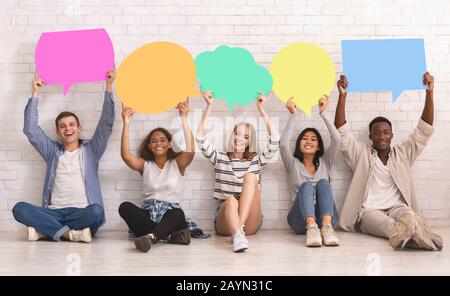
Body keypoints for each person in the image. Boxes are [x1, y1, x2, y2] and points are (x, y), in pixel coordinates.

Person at [334, 72, 443, 251]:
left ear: (392, 135)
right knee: (387, 225)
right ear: (370, 136)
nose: (381, 136)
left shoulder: (403, 154)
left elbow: (424, 129)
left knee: (408, 214)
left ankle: (412, 232)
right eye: (376, 132)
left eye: (385, 132)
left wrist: (429, 93)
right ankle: (419, 236)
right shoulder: (361, 154)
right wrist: (342, 95)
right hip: (369, 211)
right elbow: (341, 131)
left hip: (397, 207)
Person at [12, 69, 116, 242]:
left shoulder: (91, 150)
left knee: (97, 212)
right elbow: (30, 130)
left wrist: (109, 85)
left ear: (79, 127)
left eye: (72, 124)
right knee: (19, 209)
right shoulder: (52, 151)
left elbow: (106, 125)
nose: (68, 128)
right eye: (62, 126)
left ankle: (47, 231)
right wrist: (35, 93)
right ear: (58, 132)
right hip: (53, 212)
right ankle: (70, 234)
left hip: (82, 213)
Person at [118, 98, 207, 253]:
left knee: (178, 213)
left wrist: (184, 118)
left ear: (169, 143)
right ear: (149, 146)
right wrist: (126, 123)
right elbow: (126, 156)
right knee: (124, 207)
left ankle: (151, 237)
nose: (158, 143)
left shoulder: (177, 162)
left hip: (170, 216)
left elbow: (191, 150)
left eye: (162, 140)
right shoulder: (145, 164)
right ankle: (168, 237)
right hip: (148, 215)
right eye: (153, 141)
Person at [196, 90, 279, 252]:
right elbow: (200, 138)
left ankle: (238, 233)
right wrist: (209, 106)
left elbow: (275, 140)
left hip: (251, 221)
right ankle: (237, 233)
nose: (240, 138)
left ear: (250, 142)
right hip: (226, 222)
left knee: (250, 177)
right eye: (237, 133)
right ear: (232, 135)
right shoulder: (220, 158)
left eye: (246, 136)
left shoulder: (255, 160)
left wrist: (262, 109)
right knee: (231, 200)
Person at [280, 95, 341, 247]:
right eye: (304, 138)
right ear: (299, 143)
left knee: (323, 183)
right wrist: (293, 115)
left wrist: (324, 113)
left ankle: (327, 228)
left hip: (325, 217)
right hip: (299, 221)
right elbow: (282, 145)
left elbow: (337, 140)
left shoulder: (326, 162)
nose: (308, 141)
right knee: (306, 186)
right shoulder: (292, 163)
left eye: (313, 139)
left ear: (319, 146)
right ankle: (312, 229)